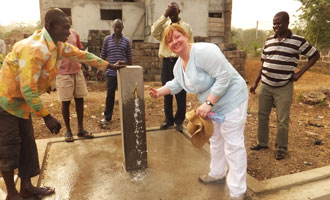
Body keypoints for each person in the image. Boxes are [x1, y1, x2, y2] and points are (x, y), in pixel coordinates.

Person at [0, 8, 124, 200]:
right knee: (9, 146)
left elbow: (81, 55)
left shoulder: (56, 44)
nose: (69, 31)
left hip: (22, 104)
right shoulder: (34, 49)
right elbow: (28, 89)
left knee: (28, 145)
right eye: (65, 27)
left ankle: (26, 188)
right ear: (50, 26)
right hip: (6, 102)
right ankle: (12, 194)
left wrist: (109, 65)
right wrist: (47, 116)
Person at [149, 24, 248, 200]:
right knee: (216, 139)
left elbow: (224, 76)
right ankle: (217, 173)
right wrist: (159, 91)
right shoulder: (178, 65)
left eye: (177, 36)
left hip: (232, 99)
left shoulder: (204, 52)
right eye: (169, 41)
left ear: (186, 35)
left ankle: (237, 192)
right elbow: (177, 84)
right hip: (213, 107)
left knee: (233, 144)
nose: (174, 42)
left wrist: (209, 103)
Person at [250, 11, 320, 160]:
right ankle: (262, 143)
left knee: (282, 120)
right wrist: (256, 83)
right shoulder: (269, 40)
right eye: (274, 23)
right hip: (265, 85)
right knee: (262, 115)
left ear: (287, 23)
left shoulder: (298, 41)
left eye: (279, 23)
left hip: (284, 87)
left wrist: (299, 74)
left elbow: (315, 55)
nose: (276, 26)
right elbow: (264, 63)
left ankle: (281, 148)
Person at [151, 2, 193, 132]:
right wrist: (165, 15)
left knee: (181, 92)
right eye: (170, 11)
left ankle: (179, 121)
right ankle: (168, 120)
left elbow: (190, 44)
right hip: (166, 63)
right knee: (166, 92)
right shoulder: (164, 26)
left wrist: (188, 64)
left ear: (179, 12)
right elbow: (153, 31)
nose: (172, 14)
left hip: (180, 61)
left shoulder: (186, 26)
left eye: (174, 11)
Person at [56, 22, 93, 142]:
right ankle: (68, 131)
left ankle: (80, 129)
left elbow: (80, 51)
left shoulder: (74, 34)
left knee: (80, 100)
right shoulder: (55, 36)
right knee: (65, 102)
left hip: (77, 71)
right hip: (63, 73)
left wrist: (85, 67)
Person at [99, 19, 132, 125]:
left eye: (119, 27)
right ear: (113, 27)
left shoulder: (126, 41)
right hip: (111, 73)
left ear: (123, 27)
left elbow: (129, 57)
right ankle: (107, 117)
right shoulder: (107, 39)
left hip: (123, 73)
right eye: (115, 27)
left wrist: (130, 70)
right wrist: (100, 67)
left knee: (125, 95)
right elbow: (103, 55)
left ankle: (127, 117)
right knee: (110, 96)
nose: (117, 29)